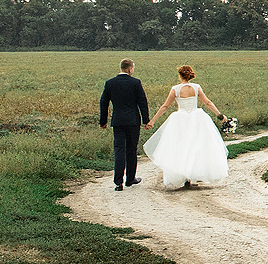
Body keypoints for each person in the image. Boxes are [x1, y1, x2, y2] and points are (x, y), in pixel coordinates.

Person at [142, 64, 230, 190]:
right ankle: (192, 175)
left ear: (180, 75)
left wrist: (152, 121)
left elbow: (165, 106)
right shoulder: (196, 87)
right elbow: (207, 102)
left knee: (180, 147)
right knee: (196, 146)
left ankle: (185, 176)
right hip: (197, 118)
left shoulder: (175, 89)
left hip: (180, 119)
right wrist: (220, 115)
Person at [98, 58, 151, 192]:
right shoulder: (135, 83)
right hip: (133, 121)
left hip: (118, 121)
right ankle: (130, 179)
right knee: (131, 149)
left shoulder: (110, 83)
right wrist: (146, 120)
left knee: (119, 149)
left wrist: (103, 121)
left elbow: (104, 103)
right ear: (129, 69)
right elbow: (142, 102)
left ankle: (118, 182)